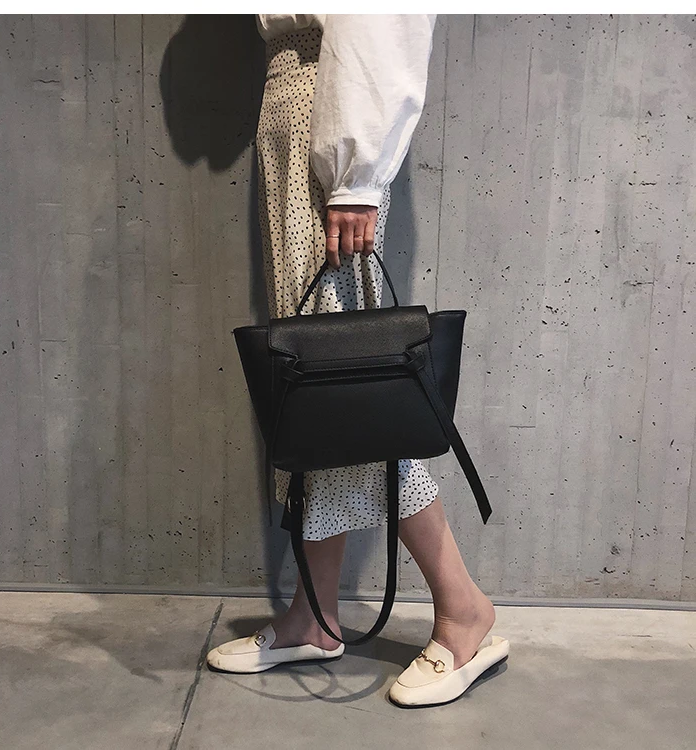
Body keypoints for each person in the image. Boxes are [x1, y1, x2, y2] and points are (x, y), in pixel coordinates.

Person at [206, 14, 508, 707]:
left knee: (344, 395)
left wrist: (355, 176)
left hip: (326, 111)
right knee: (318, 396)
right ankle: (314, 618)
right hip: (298, 114)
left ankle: (463, 608)